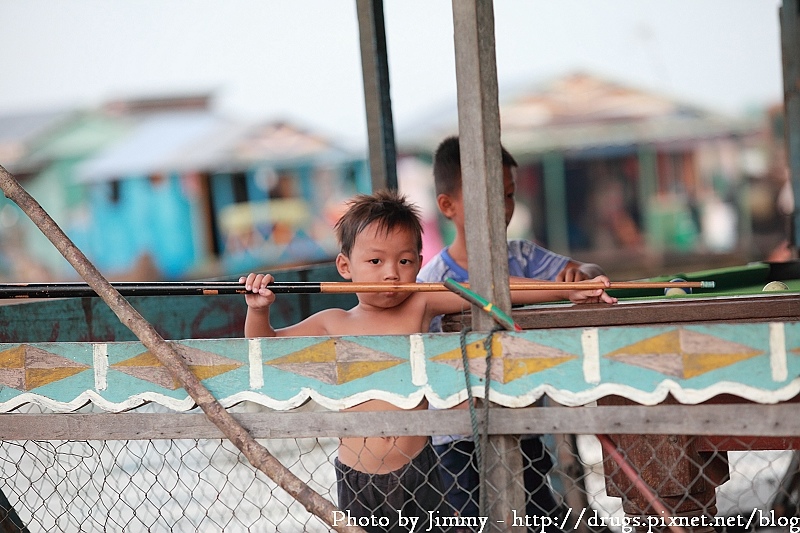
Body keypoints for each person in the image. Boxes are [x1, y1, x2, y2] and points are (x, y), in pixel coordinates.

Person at [241, 190, 616, 533]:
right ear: (344, 266)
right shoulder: (331, 322)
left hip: (420, 469)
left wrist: (565, 288)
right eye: (375, 260)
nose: (391, 272)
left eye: (404, 260)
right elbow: (264, 346)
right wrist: (258, 309)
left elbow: (490, 292)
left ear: (419, 263)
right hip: (357, 479)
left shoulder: (420, 302)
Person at [417, 136, 609, 531]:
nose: (501, 208)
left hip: (524, 424)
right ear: (447, 206)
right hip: (459, 439)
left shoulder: (522, 254)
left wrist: (580, 276)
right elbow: (490, 292)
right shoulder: (435, 280)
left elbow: (585, 270)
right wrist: (559, 288)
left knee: (543, 518)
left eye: (507, 195)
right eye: (486, 197)